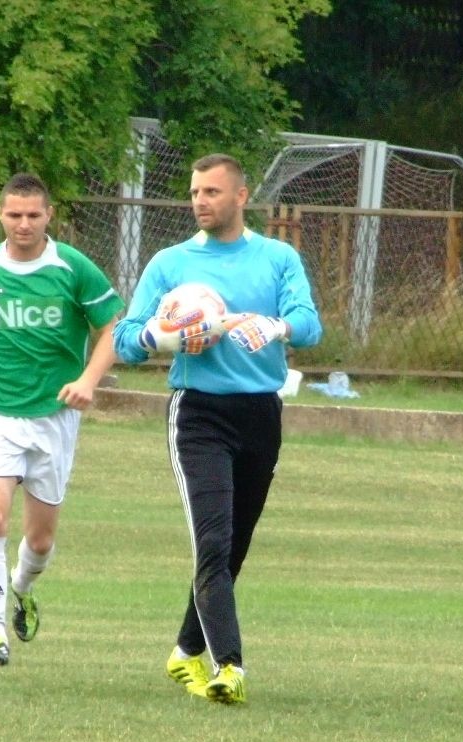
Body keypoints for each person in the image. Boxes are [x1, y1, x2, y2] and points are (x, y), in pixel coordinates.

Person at [113, 153, 322, 704]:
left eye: (211, 192)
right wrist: (165, 337)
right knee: (212, 541)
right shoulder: (171, 263)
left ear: (240, 197)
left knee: (233, 546)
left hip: (260, 415)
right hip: (199, 415)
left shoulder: (278, 258)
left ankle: (184, 652)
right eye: (195, 192)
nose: (200, 201)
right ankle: (229, 665)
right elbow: (124, 339)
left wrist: (275, 326)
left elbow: (310, 323)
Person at [0, 172, 124, 665]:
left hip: (54, 417)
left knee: (41, 539)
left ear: (49, 216)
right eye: (13, 214)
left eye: (32, 215)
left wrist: (88, 380)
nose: (22, 224)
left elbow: (111, 327)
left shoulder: (72, 267)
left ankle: (22, 586)